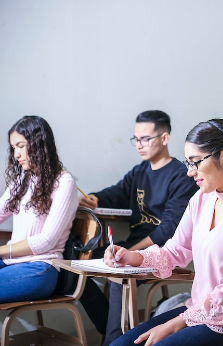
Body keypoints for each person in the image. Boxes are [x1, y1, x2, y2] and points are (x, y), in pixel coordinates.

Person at [107, 119, 223, 346]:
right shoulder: (201, 198)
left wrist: (174, 324)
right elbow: (175, 250)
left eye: (195, 162)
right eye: (187, 163)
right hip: (203, 313)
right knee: (120, 345)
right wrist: (132, 256)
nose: (190, 172)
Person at [78, 110, 198, 344]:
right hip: (134, 247)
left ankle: (111, 341)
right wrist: (95, 199)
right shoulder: (139, 172)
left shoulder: (180, 176)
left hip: (163, 251)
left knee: (118, 277)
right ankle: (111, 332)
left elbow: (168, 230)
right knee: (82, 269)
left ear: (164, 138)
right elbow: (116, 193)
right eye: (136, 139)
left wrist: (132, 252)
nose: (139, 145)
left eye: (146, 139)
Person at [0, 116, 78, 303]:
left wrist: (1, 250)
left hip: (39, 268)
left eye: (20, 146)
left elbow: (45, 241)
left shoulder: (64, 182)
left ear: (38, 143)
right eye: (13, 148)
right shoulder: (21, 181)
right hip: (11, 263)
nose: (16, 154)